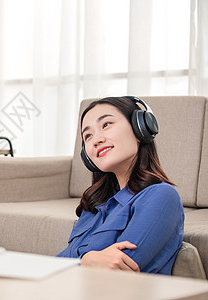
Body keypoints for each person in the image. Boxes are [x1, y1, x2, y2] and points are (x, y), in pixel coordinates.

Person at [57, 96, 184, 274]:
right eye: (88, 135)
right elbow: (56, 264)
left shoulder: (162, 196)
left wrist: (80, 261)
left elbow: (118, 269)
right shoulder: (93, 205)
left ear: (140, 128)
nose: (96, 140)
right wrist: (86, 260)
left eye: (106, 124)